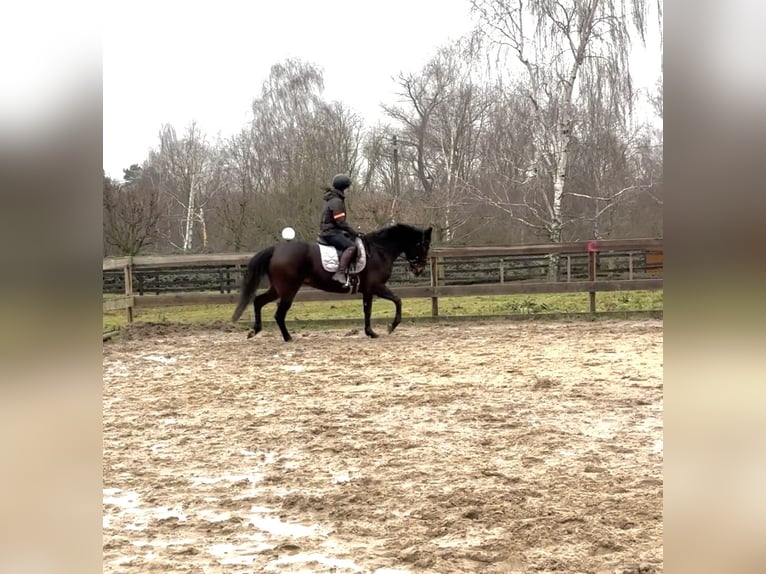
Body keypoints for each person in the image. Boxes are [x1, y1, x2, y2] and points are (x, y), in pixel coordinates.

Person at [318, 173, 359, 286]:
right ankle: (340, 273)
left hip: (329, 231)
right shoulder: (337, 201)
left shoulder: (332, 199)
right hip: (331, 233)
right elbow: (340, 222)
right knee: (351, 246)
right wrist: (353, 232)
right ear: (344, 188)